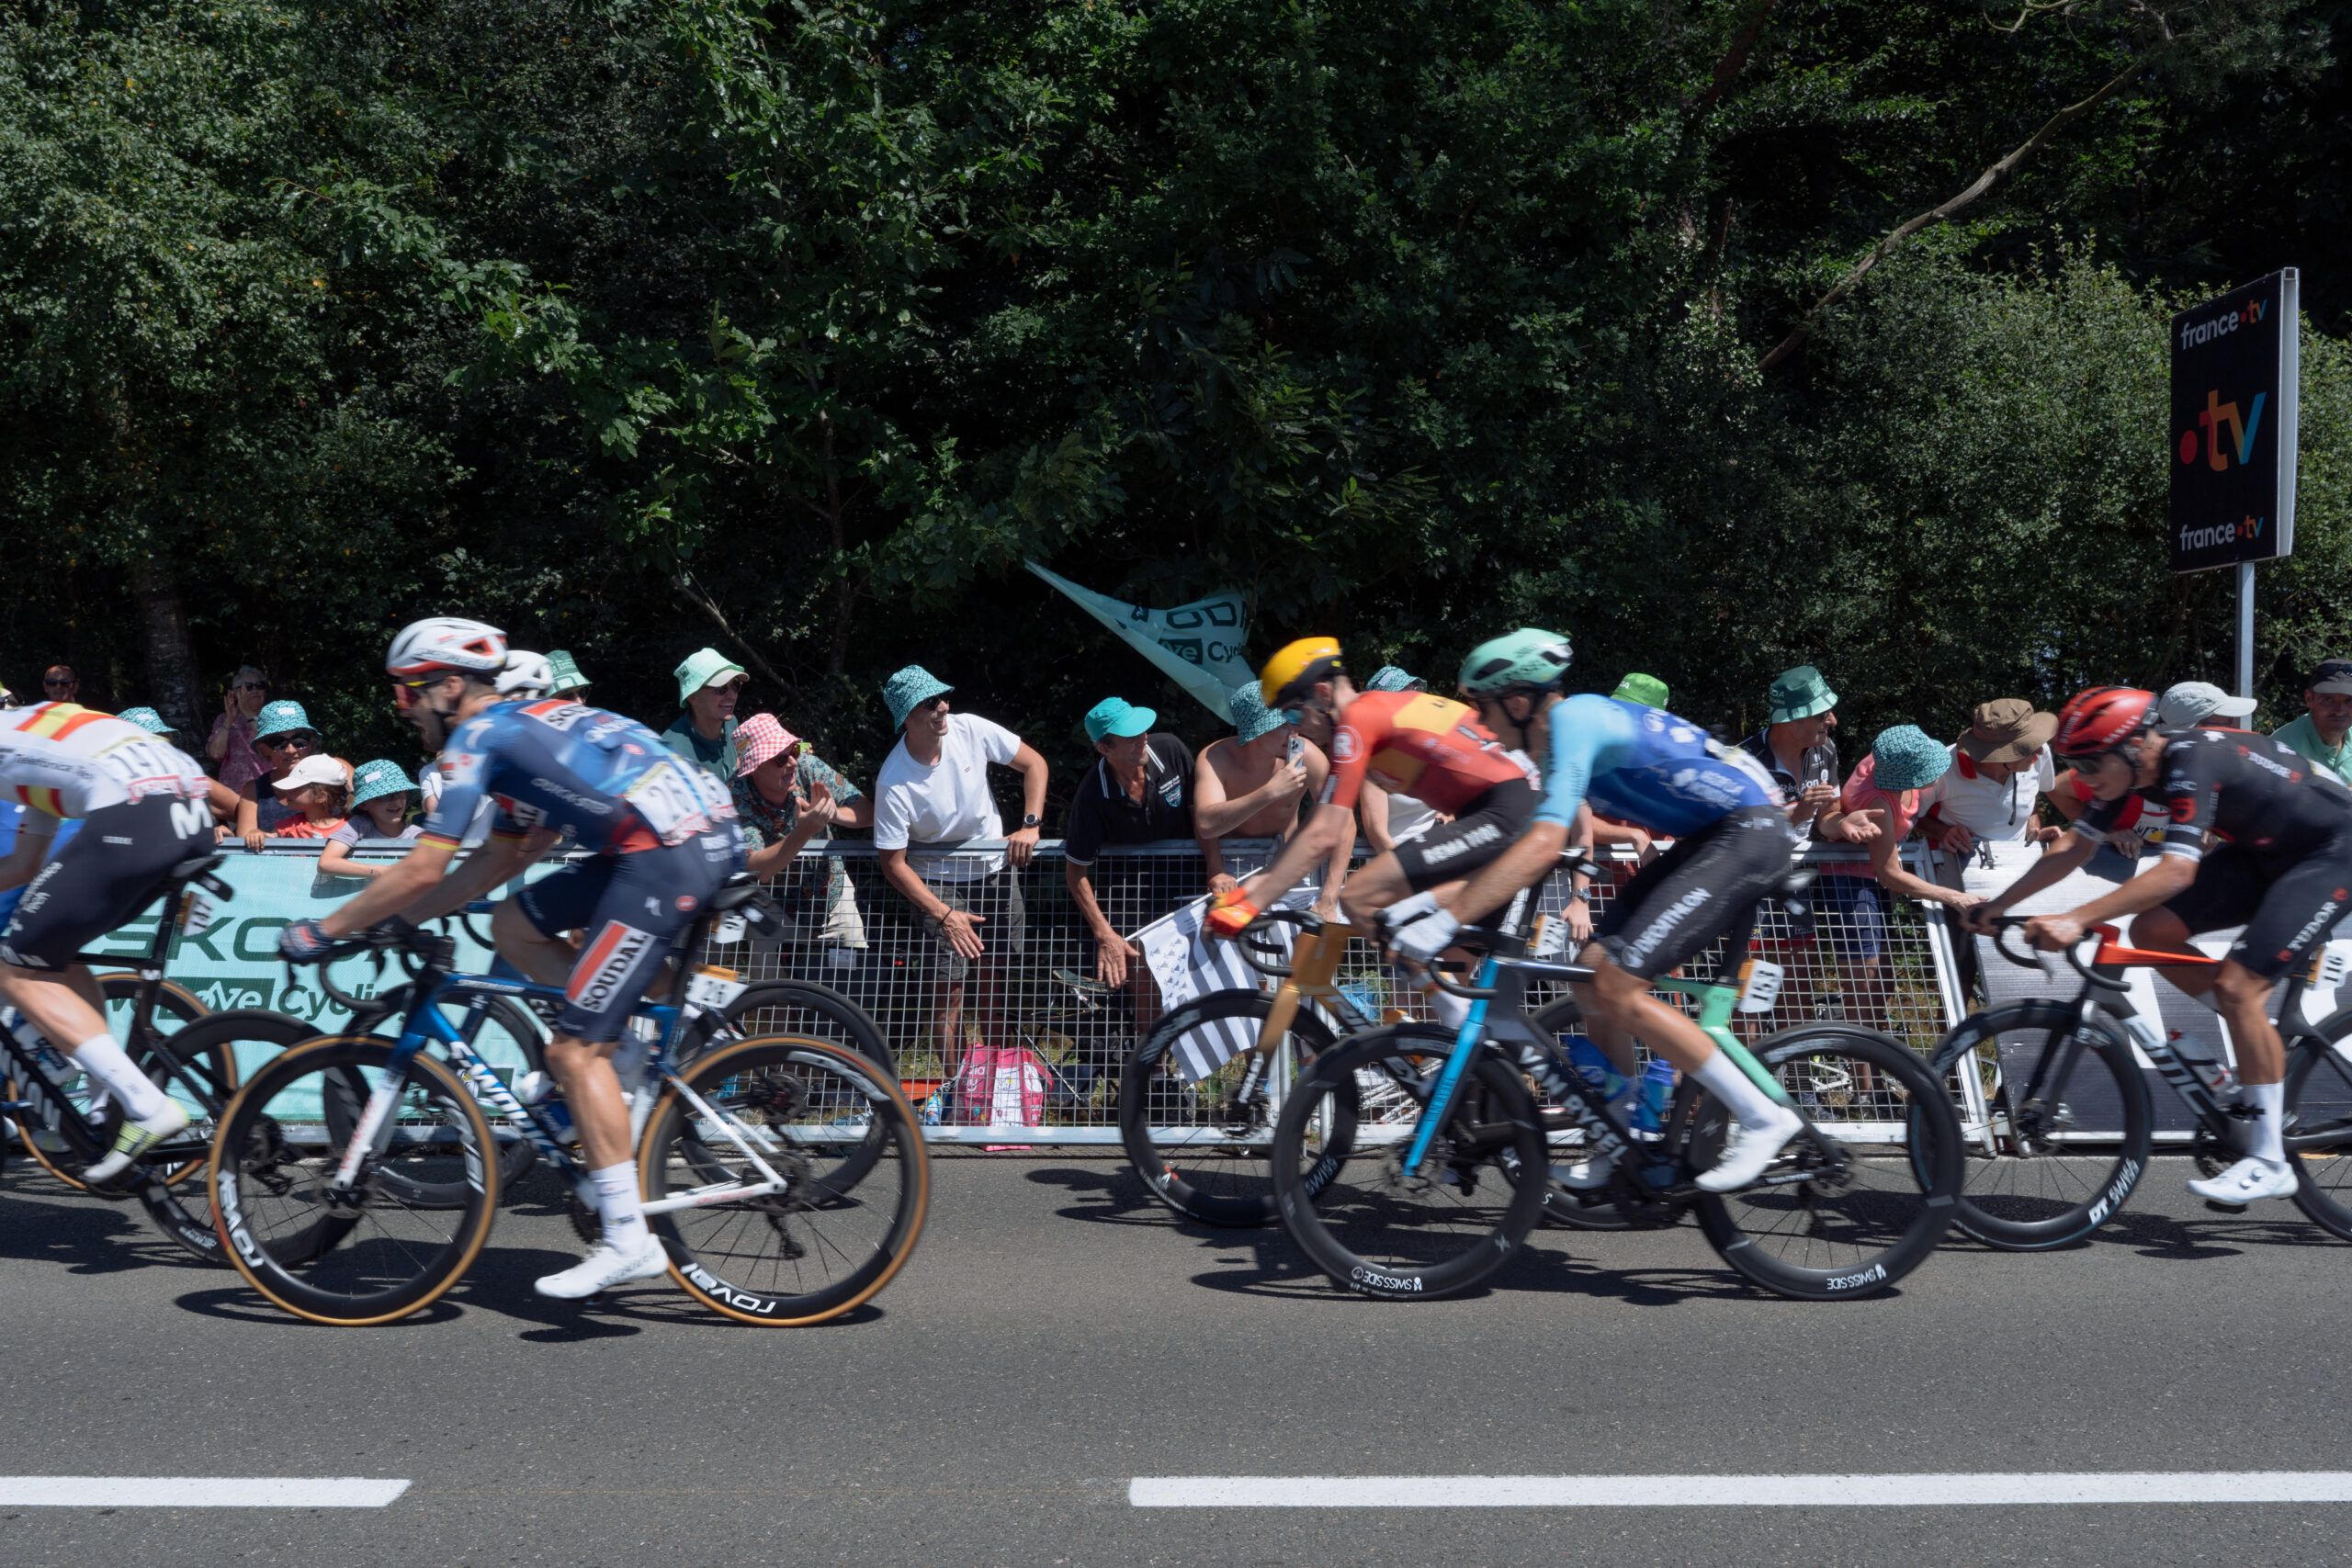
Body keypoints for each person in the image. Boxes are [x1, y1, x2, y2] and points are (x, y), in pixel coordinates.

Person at [277, 617, 745, 1298]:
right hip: (669, 838)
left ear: (451, 685)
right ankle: (626, 1048)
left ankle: (627, 1237)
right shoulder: (520, 730)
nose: (400, 707)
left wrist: (327, 929)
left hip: (666, 853)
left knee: (569, 1054)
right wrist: (407, 918)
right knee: (511, 924)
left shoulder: (477, 739)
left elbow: (424, 867)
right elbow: (501, 859)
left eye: (408, 691)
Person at [1380, 630, 1802, 1196]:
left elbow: (1543, 844)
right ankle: (1619, 1132)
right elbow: (1527, 840)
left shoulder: (1575, 721)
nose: (1479, 724)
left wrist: (1445, 920)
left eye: (1482, 707)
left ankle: (1762, 1115)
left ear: (1520, 701)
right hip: (1712, 837)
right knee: (1591, 978)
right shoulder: (1550, 745)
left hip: (1747, 833)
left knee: (1619, 985)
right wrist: (1427, 905)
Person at [1963, 686, 2352, 1205]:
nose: (2085, 776)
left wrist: (2077, 918)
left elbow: (2175, 872)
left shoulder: (2192, 759)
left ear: (2135, 746)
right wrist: (1999, 904)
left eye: (2091, 761)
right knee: (2152, 932)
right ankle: (2250, 1040)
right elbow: (2075, 847)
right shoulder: (2127, 771)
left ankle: (2268, 1160)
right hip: (2267, 853)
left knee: (2240, 989)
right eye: (2076, 761)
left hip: (2332, 854)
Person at [1205, 637, 1541, 1018]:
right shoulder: (1370, 716)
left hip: (1503, 809)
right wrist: (1260, 888)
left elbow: (1325, 833)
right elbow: (1324, 822)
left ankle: (1455, 1020)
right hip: (1507, 808)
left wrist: (1251, 902)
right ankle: (1486, 1061)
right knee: (1450, 993)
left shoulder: (1358, 719)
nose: (1298, 730)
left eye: (1295, 715)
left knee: (1358, 896)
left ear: (1321, 693)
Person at [0, 698, 213, 1184]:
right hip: (188, 814)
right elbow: (22, 866)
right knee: (53, 952)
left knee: (14, 971)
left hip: (135, 816)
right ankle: (103, 1103)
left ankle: (143, 1105)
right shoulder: (35, 735)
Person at [870, 666, 1049, 1066]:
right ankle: (957, 1090)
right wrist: (944, 914)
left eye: (943, 698)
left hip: (995, 870)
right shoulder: (893, 780)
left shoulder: (969, 729)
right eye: (930, 702)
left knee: (994, 984)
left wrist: (1030, 825)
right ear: (906, 717)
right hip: (936, 883)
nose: (943, 708)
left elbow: (1034, 764)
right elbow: (893, 864)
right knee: (948, 991)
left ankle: (995, 1086)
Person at [1064, 697, 1192, 1029]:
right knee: (1140, 966)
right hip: (1129, 886)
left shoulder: (1172, 749)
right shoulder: (1092, 794)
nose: (1144, 737)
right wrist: (1105, 934)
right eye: (1131, 735)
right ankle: (1154, 1070)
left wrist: (1216, 870)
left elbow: (1204, 815)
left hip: (1188, 873)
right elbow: (1076, 871)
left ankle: (1216, 1068)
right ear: (1105, 749)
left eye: (1143, 728)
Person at [732, 712, 872, 952]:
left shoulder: (809, 767)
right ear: (753, 769)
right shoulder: (737, 795)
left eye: (793, 751)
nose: (793, 763)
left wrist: (832, 813)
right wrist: (806, 830)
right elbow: (757, 869)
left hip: (832, 898)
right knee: (773, 987)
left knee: (852, 980)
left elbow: (868, 812)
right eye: (780, 759)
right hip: (774, 909)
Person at [1193, 684, 1334, 899]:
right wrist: (1270, 792)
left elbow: (1343, 820)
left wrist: (1330, 896)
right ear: (1255, 731)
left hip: (1287, 860)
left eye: (1294, 718)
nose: (1294, 731)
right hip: (1230, 863)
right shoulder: (1216, 758)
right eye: (1282, 725)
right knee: (1224, 928)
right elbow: (1206, 824)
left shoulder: (1306, 755)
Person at [120, 706, 240, 833]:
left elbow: (243, 810)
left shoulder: (188, 778)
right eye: (148, 741)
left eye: (162, 740)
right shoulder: (111, 782)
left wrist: (213, 833)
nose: (158, 748)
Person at [233, 700, 324, 849]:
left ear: (311, 742)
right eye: (278, 743)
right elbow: (244, 847)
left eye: (300, 740)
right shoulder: (253, 790)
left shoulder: (338, 773)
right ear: (264, 749)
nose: (290, 750)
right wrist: (254, 834)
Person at [318, 759, 423, 879]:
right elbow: (326, 863)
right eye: (385, 796)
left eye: (401, 793)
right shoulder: (359, 826)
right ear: (364, 805)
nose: (396, 801)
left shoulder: (418, 836)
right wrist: (384, 872)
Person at [664, 648, 746, 783]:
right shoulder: (674, 755)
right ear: (693, 696)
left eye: (735, 685)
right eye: (721, 688)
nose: (732, 695)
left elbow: (736, 761)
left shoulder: (731, 724)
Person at [2270, 659, 2352, 787]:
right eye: (2329, 700)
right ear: (2309, 699)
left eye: (2349, 701)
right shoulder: (2283, 748)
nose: (2340, 711)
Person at [207, 665, 272, 792]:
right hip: (235, 793)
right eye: (248, 686)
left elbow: (271, 744)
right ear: (235, 692)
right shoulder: (223, 719)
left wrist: (248, 714)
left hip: (268, 790)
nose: (255, 690)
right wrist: (229, 721)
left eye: (259, 685)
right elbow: (216, 754)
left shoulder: (272, 715)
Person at [266, 753, 353, 840]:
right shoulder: (287, 827)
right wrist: (257, 835)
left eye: (296, 788)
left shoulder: (352, 826)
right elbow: (267, 840)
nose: (287, 791)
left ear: (320, 797)